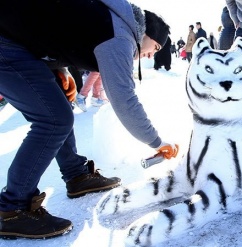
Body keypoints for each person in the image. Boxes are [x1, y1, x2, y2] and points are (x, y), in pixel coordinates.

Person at [0, 0, 178, 239]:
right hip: (6, 44)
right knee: (55, 120)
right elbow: (124, 100)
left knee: (59, 110)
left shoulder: (112, 19)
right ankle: (12, 208)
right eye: (155, 47)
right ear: (145, 34)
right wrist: (157, 142)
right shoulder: (121, 37)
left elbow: (52, 23)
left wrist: (57, 69)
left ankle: (76, 175)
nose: (150, 54)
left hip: (17, 42)